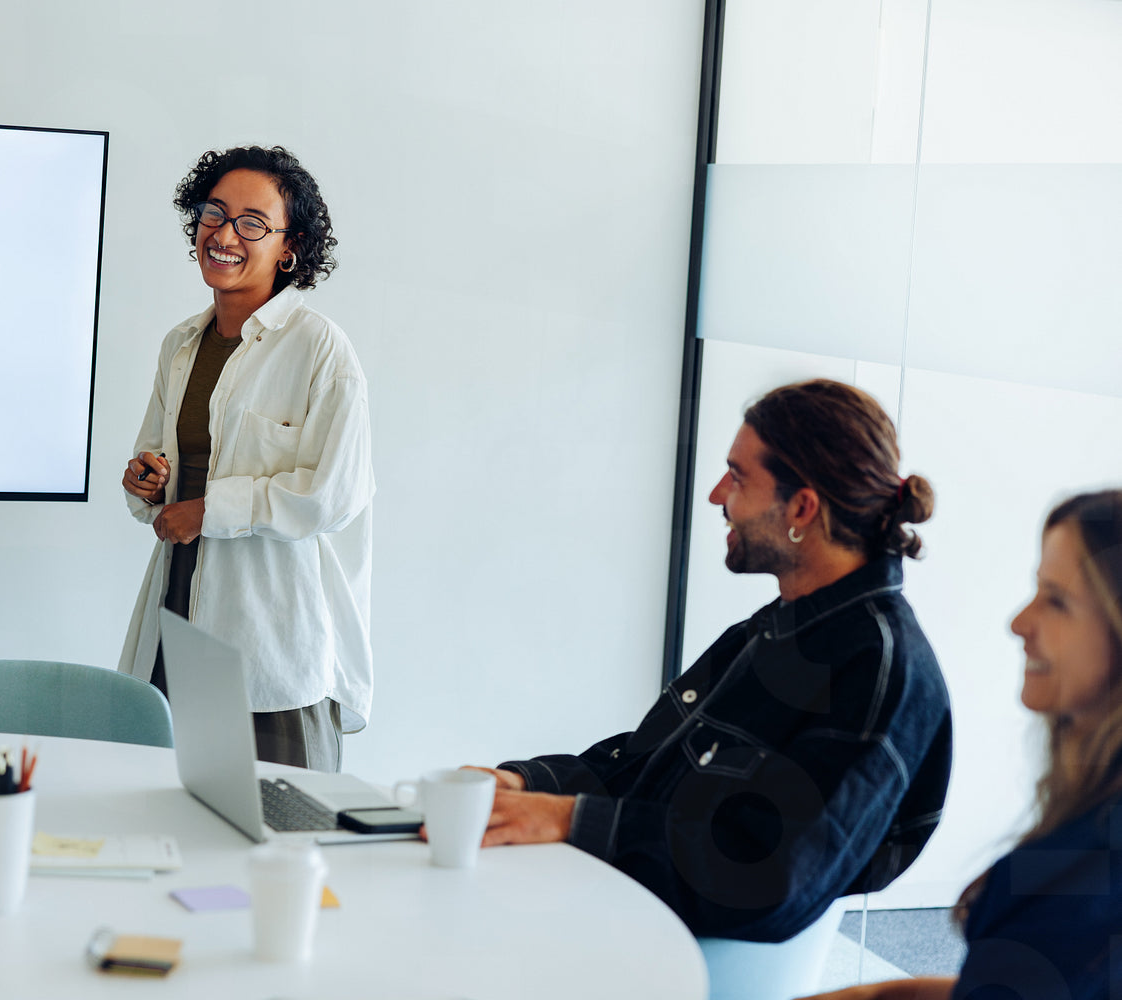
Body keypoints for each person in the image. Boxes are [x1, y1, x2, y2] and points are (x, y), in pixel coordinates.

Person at [470, 379, 953, 942]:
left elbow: (771, 874)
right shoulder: (773, 630)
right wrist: (522, 784)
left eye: (738, 477)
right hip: (616, 913)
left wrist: (567, 819)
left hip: (674, 953)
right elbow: (648, 766)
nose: (716, 495)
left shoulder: (880, 669)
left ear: (802, 507)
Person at [800, 490, 1122, 1000]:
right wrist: (881, 995)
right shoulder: (1093, 814)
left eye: (1057, 601)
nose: (1019, 623)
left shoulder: (1093, 879)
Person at [117, 146, 373, 772]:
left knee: (285, 812)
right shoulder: (181, 343)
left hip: (272, 631)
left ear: (290, 248)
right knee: (167, 801)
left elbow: (332, 495)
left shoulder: (319, 348)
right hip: (178, 605)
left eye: (252, 223)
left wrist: (209, 510)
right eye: (214, 213)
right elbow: (158, 461)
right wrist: (147, 482)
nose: (225, 235)